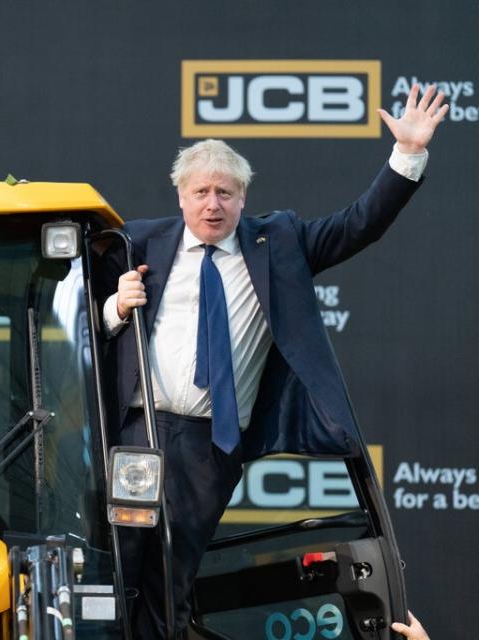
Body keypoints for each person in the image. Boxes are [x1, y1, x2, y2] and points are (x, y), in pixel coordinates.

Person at [97, 83, 448, 637]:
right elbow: (77, 324)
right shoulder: (137, 244)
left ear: (244, 198)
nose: (213, 204)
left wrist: (406, 155)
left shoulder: (278, 242)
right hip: (137, 430)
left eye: (227, 193)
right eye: (202, 191)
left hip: (211, 442)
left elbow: (360, 223)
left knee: (171, 577)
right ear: (180, 195)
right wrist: (116, 307)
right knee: (109, 570)